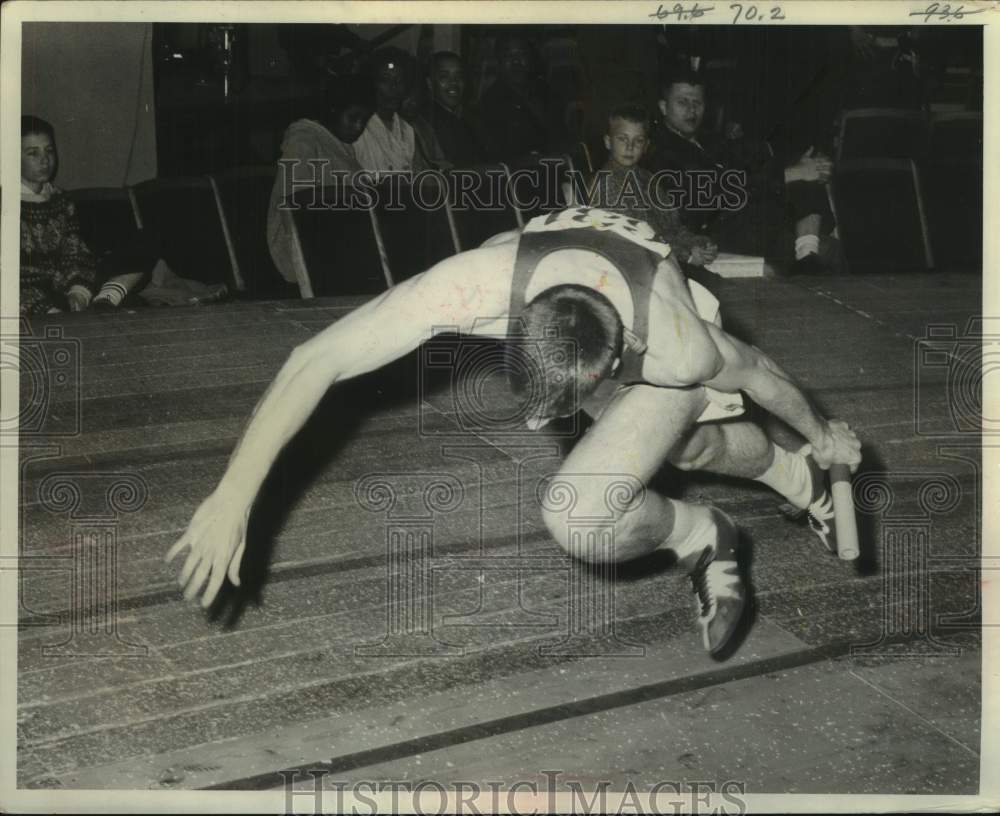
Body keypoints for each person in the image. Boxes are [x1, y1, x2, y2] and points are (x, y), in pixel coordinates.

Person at [167, 205, 862, 660]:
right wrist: (234, 496)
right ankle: (745, 511)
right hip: (575, 295)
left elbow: (761, 373)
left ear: (611, 368)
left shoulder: (680, 340)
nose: (535, 426)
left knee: (641, 476)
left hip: (649, 299)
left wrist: (823, 432)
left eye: (552, 409)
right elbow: (312, 360)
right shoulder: (469, 286)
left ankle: (755, 504)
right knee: (658, 463)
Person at [646, 68, 836, 275]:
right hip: (714, 232)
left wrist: (804, 165)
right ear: (663, 107)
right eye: (682, 102)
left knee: (804, 173)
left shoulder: (709, 140)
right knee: (794, 178)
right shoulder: (659, 151)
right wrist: (790, 174)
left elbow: (753, 158)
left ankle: (807, 258)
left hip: (750, 219)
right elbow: (716, 191)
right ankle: (807, 257)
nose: (692, 110)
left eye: (697, 103)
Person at [20, 115, 154, 315]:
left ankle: (104, 299)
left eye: (49, 150)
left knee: (147, 240)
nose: (44, 160)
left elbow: (76, 253)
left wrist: (79, 292)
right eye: (33, 153)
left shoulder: (61, 199)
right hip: (29, 293)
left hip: (68, 284)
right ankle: (76, 312)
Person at [267, 74, 375, 284]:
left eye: (364, 121)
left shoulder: (342, 146)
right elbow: (298, 206)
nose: (358, 128)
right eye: (353, 118)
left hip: (336, 243)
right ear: (333, 110)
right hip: (302, 250)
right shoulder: (303, 142)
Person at [588, 104, 718, 267]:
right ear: (608, 142)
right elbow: (634, 239)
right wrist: (687, 256)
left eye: (638, 140)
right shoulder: (606, 183)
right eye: (622, 139)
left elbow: (673, 226)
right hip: (633, 266)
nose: (630, 146)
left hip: (663, 259)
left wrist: (697, 243)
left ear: (646, 147)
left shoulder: (647, 178)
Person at [477, 33, 555, 162]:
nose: (516, 61)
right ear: (499, 62)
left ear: (531, 59)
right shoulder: (490, 104)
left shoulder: (545, 93)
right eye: (508, 55)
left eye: (522, 54)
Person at [353, 48, 428, 175]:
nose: (393, 87)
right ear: (371, 83)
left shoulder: (407, 130)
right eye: (385, 80)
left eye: (399, 80)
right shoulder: (358, 128)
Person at [422, 50, 482, 167]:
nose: (454, 82)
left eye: (458, 75)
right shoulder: (431, 120)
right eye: (444, 76)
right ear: (430, 83)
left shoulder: (463, 116)